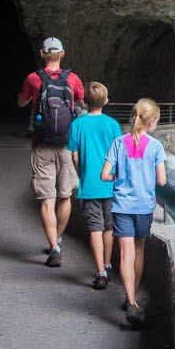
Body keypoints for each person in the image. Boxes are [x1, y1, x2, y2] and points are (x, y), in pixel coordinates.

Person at [17, 37, 85, 267]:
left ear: (42, 53)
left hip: (42, 144)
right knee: (65, 196)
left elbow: (21, 102)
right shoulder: (73, 79)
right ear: (62, 54)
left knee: (47, 199)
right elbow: (81, 101)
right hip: (67, 144)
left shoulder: (33, 78)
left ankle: (54, 248)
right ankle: (58, 238)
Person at [101, 98, 166, 327]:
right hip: (143, 207)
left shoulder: (119, 142)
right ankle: (134, 299)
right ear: (152, 121)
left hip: (122, 206)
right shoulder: (156, 147)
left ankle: (130, 301)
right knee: (138, 252)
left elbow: (104, 175)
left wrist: (118, 177)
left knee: (125, 254)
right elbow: (162, 179)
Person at [66, 81, 118, 289]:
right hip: (110, 186)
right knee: (108, 228)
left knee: (95, 230)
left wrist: (82, 174)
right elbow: (118, 155)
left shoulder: (77, 125)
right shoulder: (112, 125)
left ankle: (100, 272)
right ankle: (108, 263)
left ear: (85, 101)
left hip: (89, 187)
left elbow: (75, 156)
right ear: (106, 101)